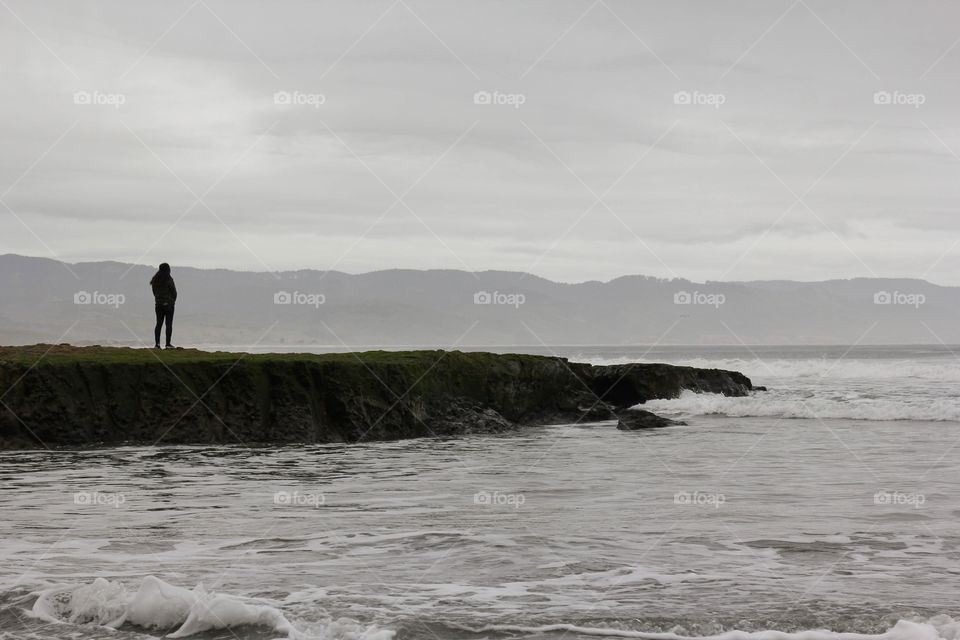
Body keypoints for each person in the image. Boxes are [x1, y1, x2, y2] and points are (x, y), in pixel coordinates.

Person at [150, 263, 178, 349]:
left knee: (159, 324)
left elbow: (154, 292)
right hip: (169, 304)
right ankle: (168, 344)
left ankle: (157, 344)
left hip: (158, 305)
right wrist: (172, 301)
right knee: (168, 324)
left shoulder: (155, 279)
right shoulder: (169, 279)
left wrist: (159, 299)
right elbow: (174, 292)